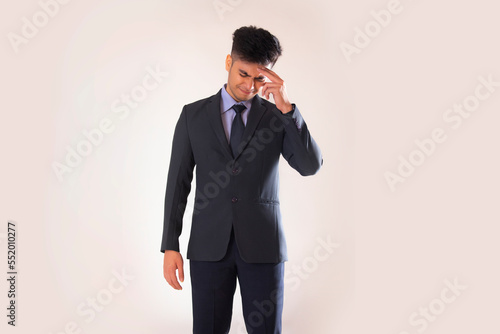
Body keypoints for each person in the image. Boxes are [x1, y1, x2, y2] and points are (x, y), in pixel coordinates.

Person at [161, 25, 323, 334]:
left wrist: (287, 108)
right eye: (243, 74)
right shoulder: (192, 116)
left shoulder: (278, 117)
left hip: (263, 248)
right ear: (228, 63)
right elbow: (177, 183)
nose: (249, 85)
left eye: (259, 77)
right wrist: (170, 245)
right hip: (208, 249)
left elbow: (309, 165)